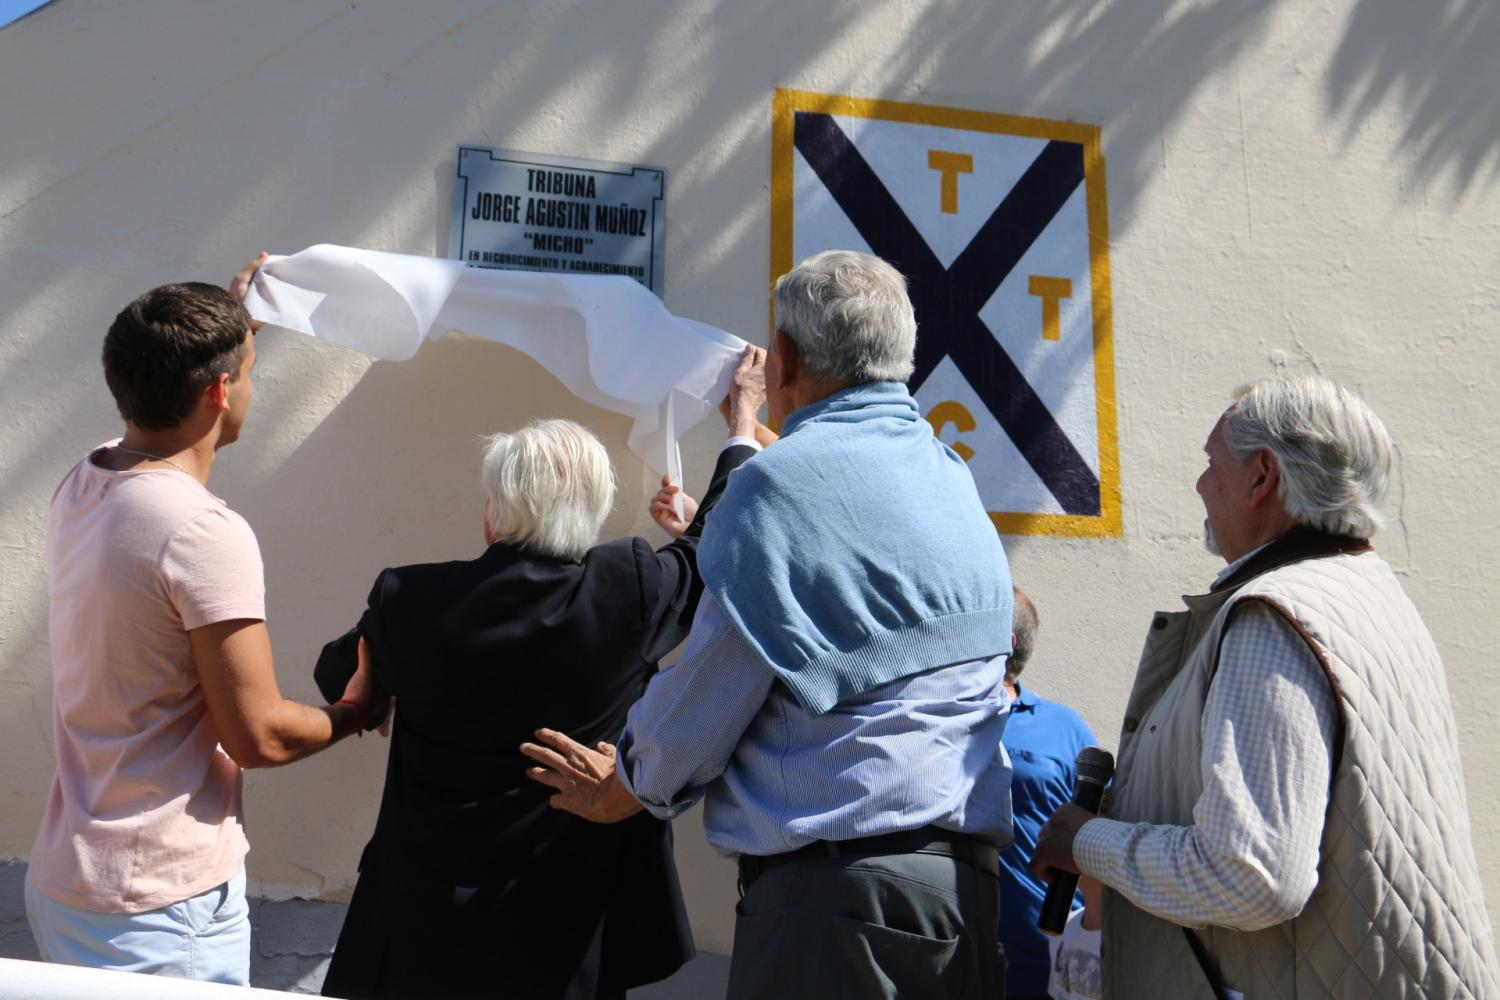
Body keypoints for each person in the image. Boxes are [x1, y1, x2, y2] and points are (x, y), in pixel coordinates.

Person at [523, 249, 1014, 1000]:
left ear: (783, 357)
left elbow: (713, 685)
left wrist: (622, 785)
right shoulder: (951, 476)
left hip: (838, 904)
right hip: (965, 897)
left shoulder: (775, 485)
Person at [315, 349, 766, 1000]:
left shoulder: (409, 601)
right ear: (596, 510)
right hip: (569, 936)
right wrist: (742, 424)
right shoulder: (626, 589)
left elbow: (340, 675)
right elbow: (713, 550)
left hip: (419, 933)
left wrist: (377, 686)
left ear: (493, 512)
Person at [1032, 376, 1500, 998]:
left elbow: (1251, 875)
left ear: (1262, 477)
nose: (1201, 485)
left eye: (1210, 463)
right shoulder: (1374, 598)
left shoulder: (1273, 614)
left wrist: (1085, 841)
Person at [24, 257, 385, 986]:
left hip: (68, 882)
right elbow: (257, 736)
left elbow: (160, 391)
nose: (252, 383)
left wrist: (228, 328)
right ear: (221, 390)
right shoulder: (200, 532)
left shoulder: (84, 478)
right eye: (247, 370)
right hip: (159, 908)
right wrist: (358, 707)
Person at [995, 587, 1097, 1000]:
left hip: (1044, 959)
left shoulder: (1064, 728)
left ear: (1006, 643)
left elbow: (1104, 827)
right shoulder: (937, 717)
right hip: (948, 952)